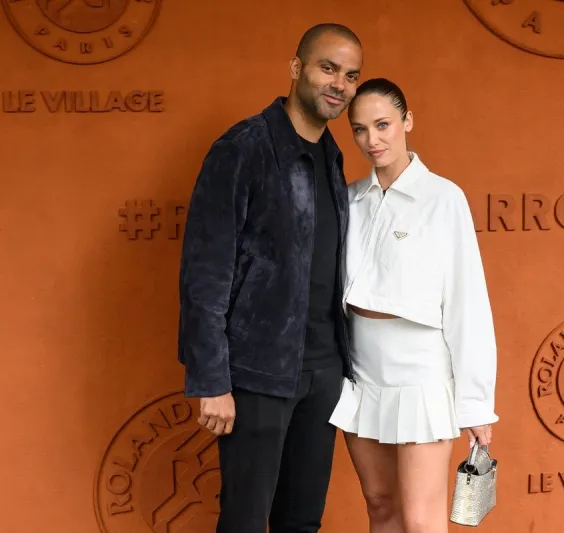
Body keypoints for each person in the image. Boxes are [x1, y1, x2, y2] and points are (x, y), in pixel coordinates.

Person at [177, 23, 363, 533]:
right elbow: (205, 272)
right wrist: (211, 380)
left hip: (323, 373)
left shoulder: (331, 155)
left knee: (302, 521)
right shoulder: (243, 148)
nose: (340, 84)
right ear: (296, 68)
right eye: (329, 68)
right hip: (257, 373)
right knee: (244, 521)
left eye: (350, 75)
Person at [328, 78, 499, 533]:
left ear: (407, 121)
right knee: (380, 505)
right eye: (360, 129)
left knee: (422, 521)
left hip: (420, 375)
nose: (372, 140)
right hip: (361, 372)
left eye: (383, 125)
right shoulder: (348, 200)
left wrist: (477, 405)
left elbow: (468, 303)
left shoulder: (444, 199)